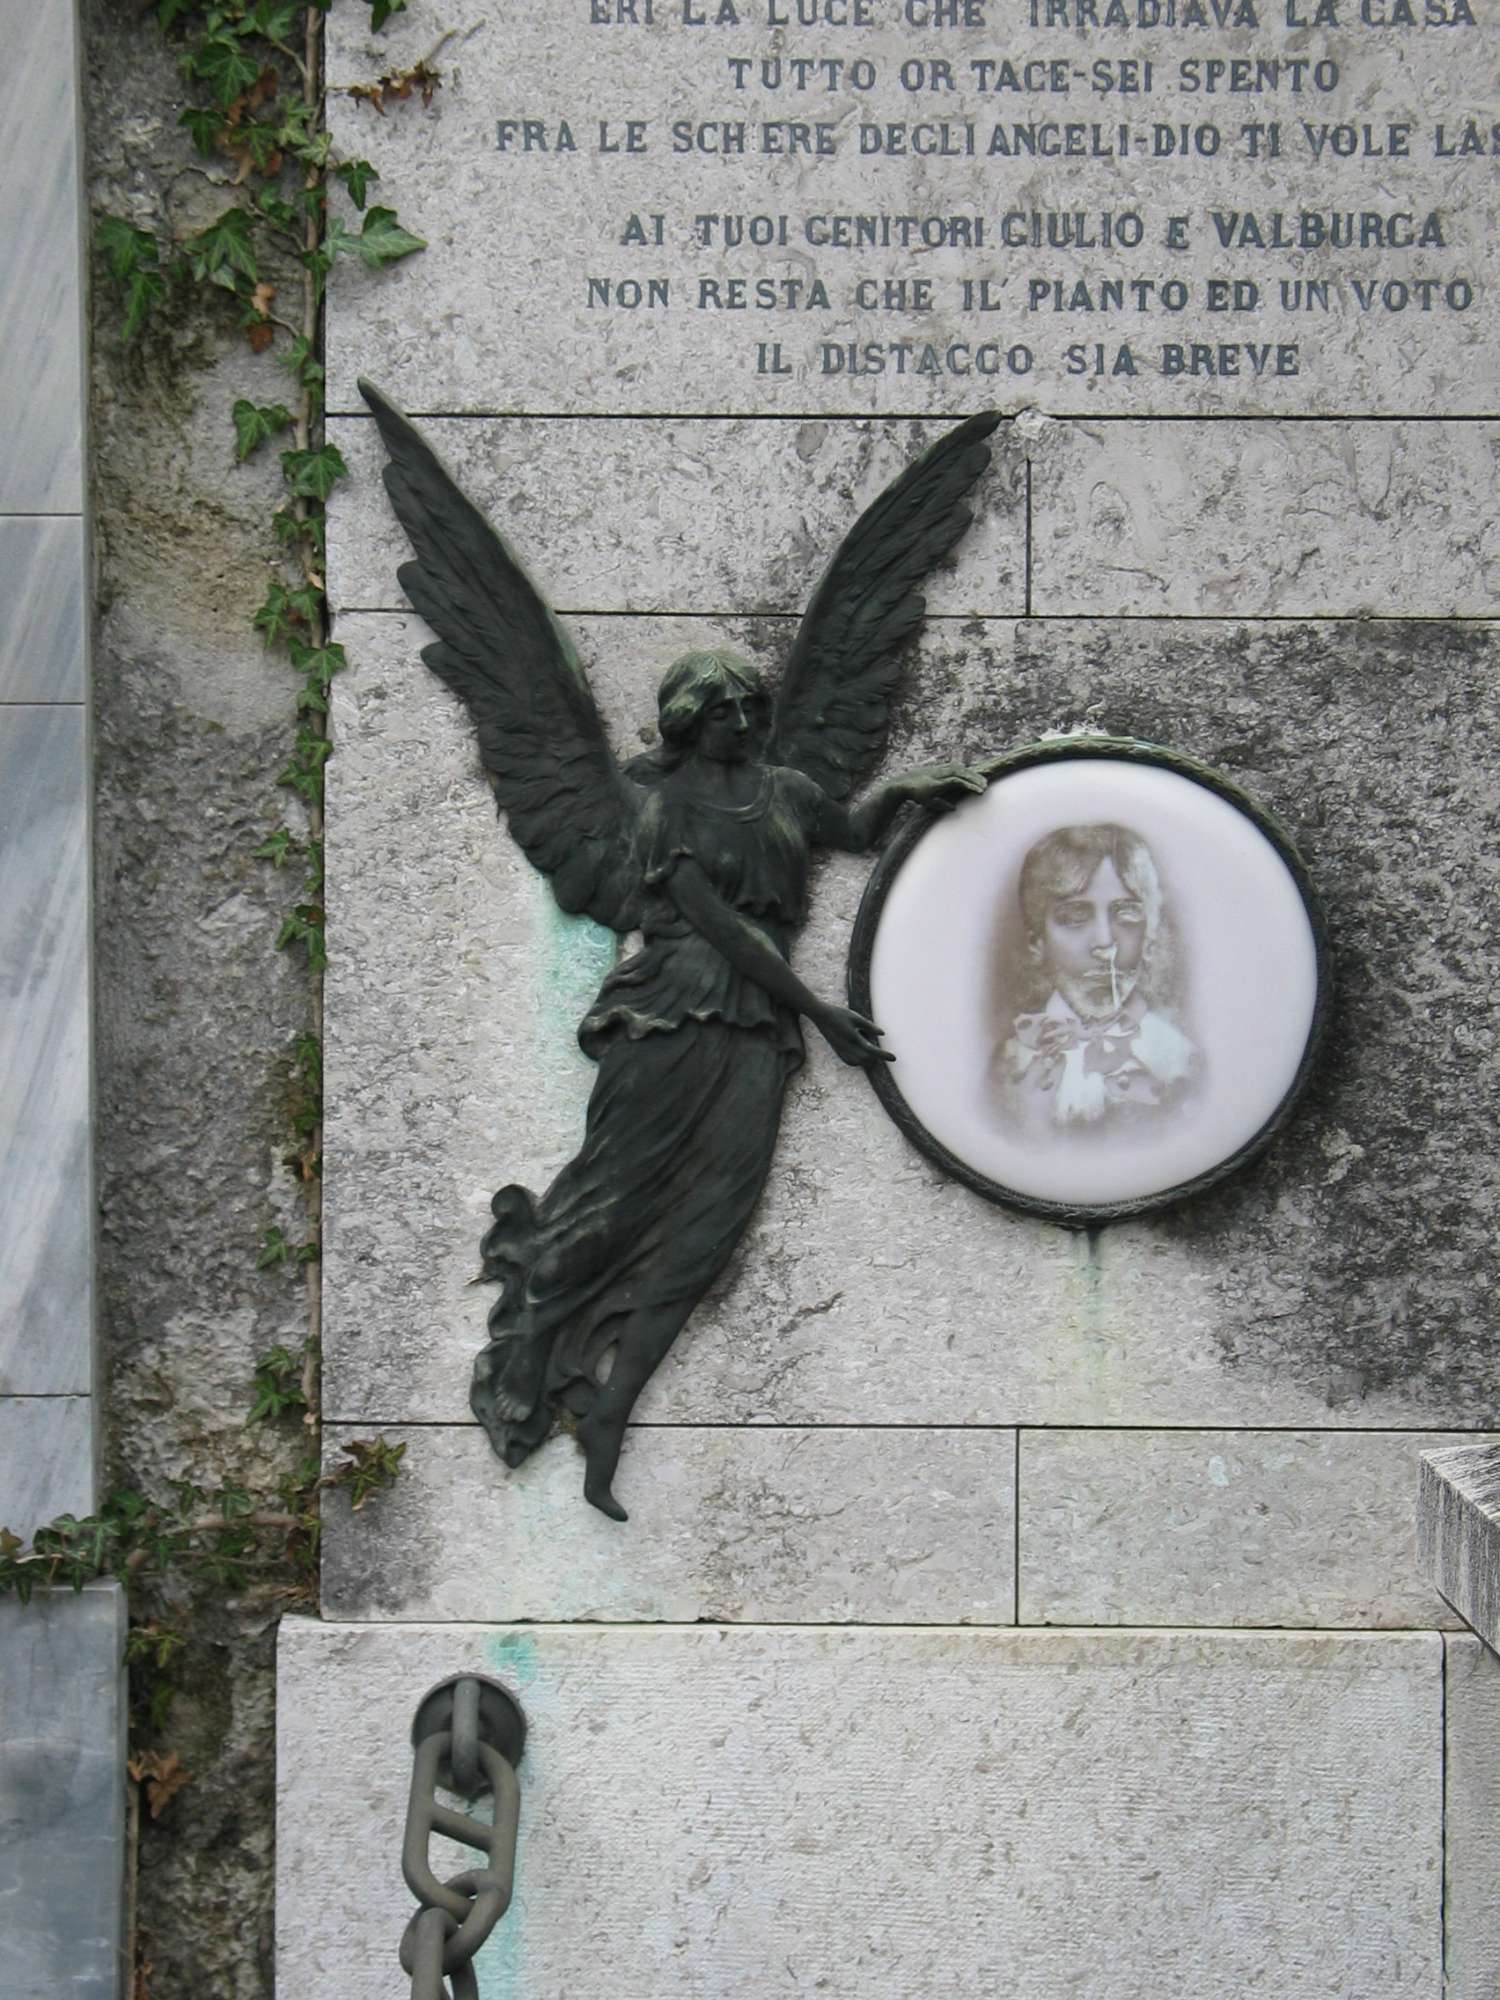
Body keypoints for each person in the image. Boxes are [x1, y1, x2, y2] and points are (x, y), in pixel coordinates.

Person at [472, 649, 983, 1518]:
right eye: (721, 713)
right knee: (611, 1207)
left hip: (755, 1025)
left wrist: (903, 791)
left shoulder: (786, 790)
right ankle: (531, 1347)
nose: (742, 725)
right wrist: (821, 1014)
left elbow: (852, 832)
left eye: (750, 708)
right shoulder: (660, 808)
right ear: (686, 721)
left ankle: (612, 1413)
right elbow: (724, 929)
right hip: (670, 1017)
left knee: (708, 1230)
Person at [994, 822, 1197, 1132]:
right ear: (1037, 943)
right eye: (1075, 916)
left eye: (1126, 914)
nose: (1105, 943)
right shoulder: (1010, 1066)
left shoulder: (1180, 1061)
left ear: (1149, 936)